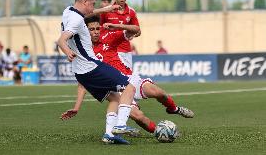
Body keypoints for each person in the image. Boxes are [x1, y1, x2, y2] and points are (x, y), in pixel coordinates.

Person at [61, 16, 194, 138]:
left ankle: (174, 109)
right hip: (116, 90)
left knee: (157, 92)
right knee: (138, 116)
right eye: (92, 29)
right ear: (85, 31)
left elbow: (137, 30)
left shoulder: (108, 36)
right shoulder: (83, 51)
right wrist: (77, 107)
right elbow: (83, 82)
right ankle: (160, 132)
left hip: (129, 79)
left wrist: (118, 26)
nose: (96, 32)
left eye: (97, 28)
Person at [57, 0, 142, 145]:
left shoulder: (68, 11)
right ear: (85, 1)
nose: (93, 8)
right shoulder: (76, 21)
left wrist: (107, 9)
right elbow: (61, 40)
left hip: (80, 72)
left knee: (115, 98)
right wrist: (67, 51)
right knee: (130, 87)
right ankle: (121, 125)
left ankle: (109, 135)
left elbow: (88, 14)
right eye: (92, 4)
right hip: (92, 66)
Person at [100, 0, 141, 70]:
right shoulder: (107, 10)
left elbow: (138, 31)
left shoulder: (131, 12)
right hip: (109, 50)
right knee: (110, 79)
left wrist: (131, 33)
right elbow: (99, 29)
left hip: (125, 51)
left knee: (127, 79)